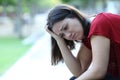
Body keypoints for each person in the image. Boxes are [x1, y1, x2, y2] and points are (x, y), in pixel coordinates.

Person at [45, 4, 120, 80]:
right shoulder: (88, 38)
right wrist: (59, 40)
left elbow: (98, 71)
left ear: (74, 15)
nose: (68, 35)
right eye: (62, 35)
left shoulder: (99, 23)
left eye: (65, 27)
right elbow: (79, 71)